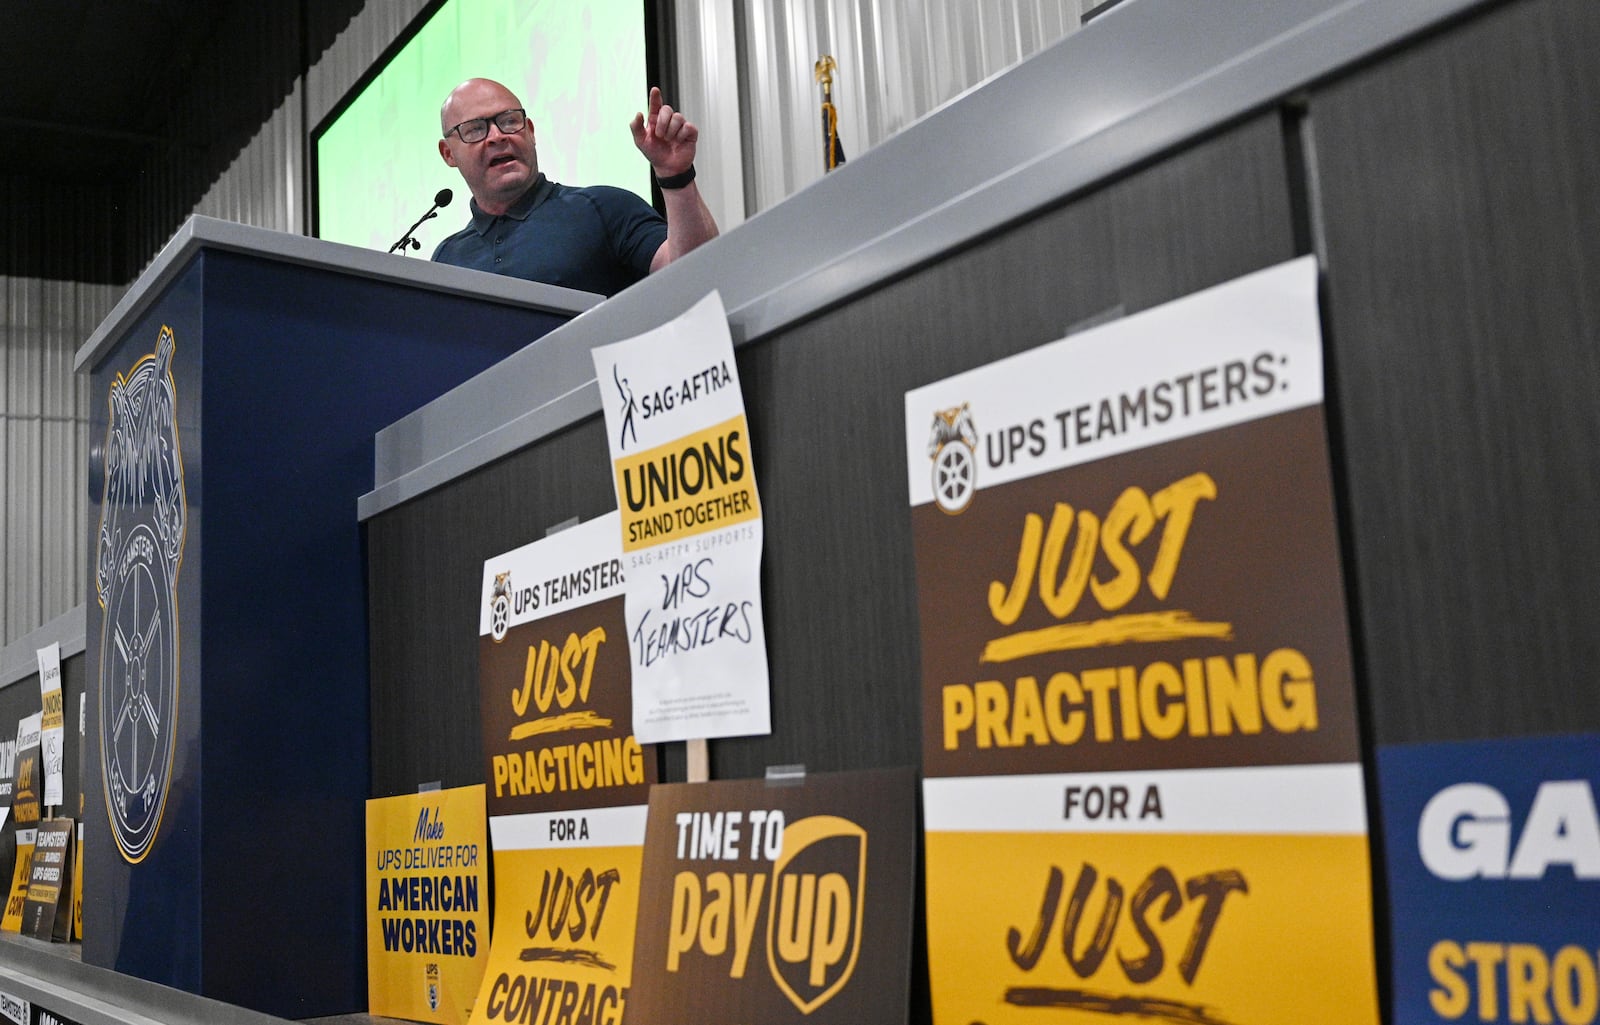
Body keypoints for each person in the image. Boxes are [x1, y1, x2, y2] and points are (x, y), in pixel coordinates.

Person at [431, 78, 719, 297]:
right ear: (448, 154)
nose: (496, 136)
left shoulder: (603, 208)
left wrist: (675, 175)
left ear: (530, 132)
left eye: (509, 121)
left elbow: (697, 274)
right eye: (475, 130)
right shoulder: (447, 260)